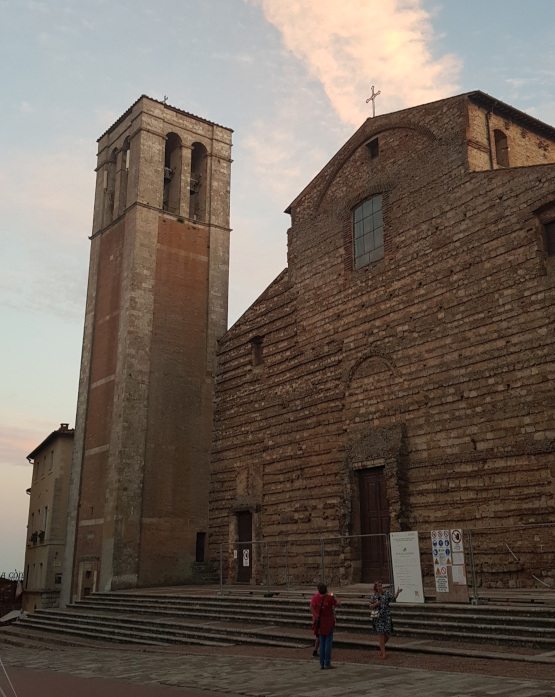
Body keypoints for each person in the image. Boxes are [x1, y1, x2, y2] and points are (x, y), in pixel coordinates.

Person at [369, 580, 402, 659]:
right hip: (378, 617)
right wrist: (376, 604)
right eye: (378, 586)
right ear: (376, 588)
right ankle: (383, 653)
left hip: (386, 616)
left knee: (387, 634)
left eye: (381, 586)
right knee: (380, 634)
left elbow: (393, 598)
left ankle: (381, 647)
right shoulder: (373, 596)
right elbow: (370, 606)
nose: (380, 587)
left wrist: (397, 593)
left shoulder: (386, 594)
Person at [310, 582, 340, 669]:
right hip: (329, 622)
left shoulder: (316, 598)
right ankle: (327, 663)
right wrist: (335, 596)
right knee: (328, 643)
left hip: (320, 622)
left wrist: (316, 616)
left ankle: (322, 663)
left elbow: (311, 607)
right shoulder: (329, 598)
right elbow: (338, 603)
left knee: (322, 643)